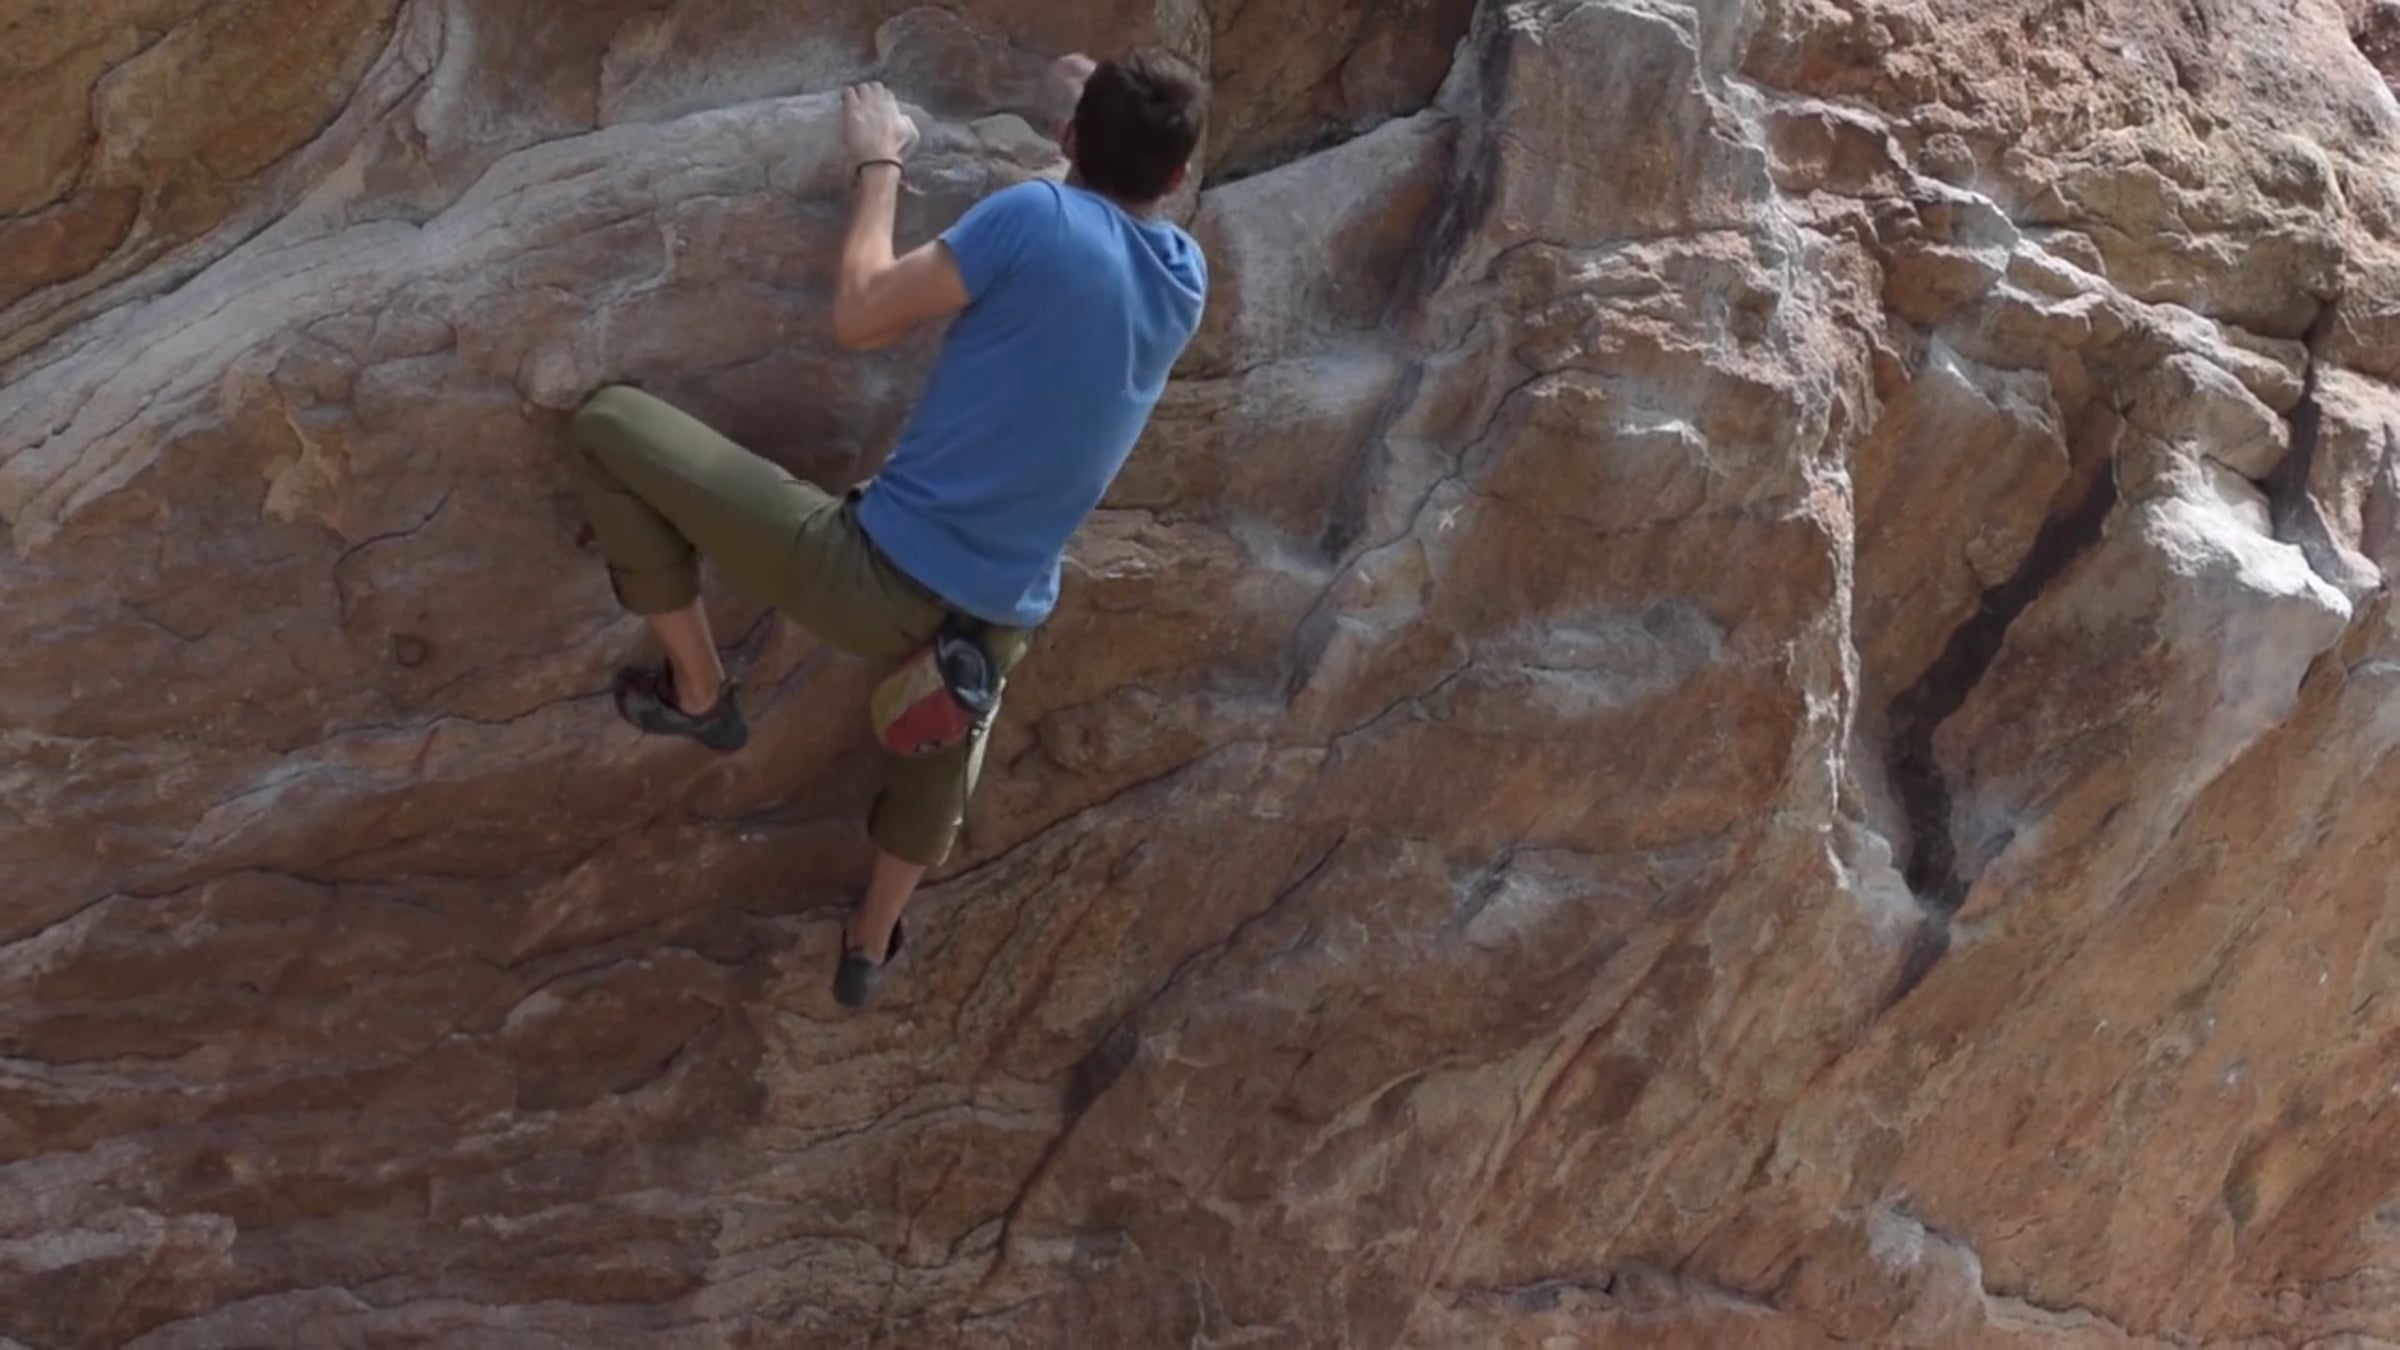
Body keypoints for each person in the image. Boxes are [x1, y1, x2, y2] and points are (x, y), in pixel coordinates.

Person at [562, 50, 1211, 1007]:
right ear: (1177, 176)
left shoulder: (1034, 217)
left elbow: (863, 314)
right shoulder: (1184, 277)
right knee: (950, 726)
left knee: (606, 428)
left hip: (871, 576)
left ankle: (698, 692)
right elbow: (1095, 219)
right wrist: (1085, 128)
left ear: (1071, 140)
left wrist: (881, 161)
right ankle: (868, 941)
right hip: (1003, 611)